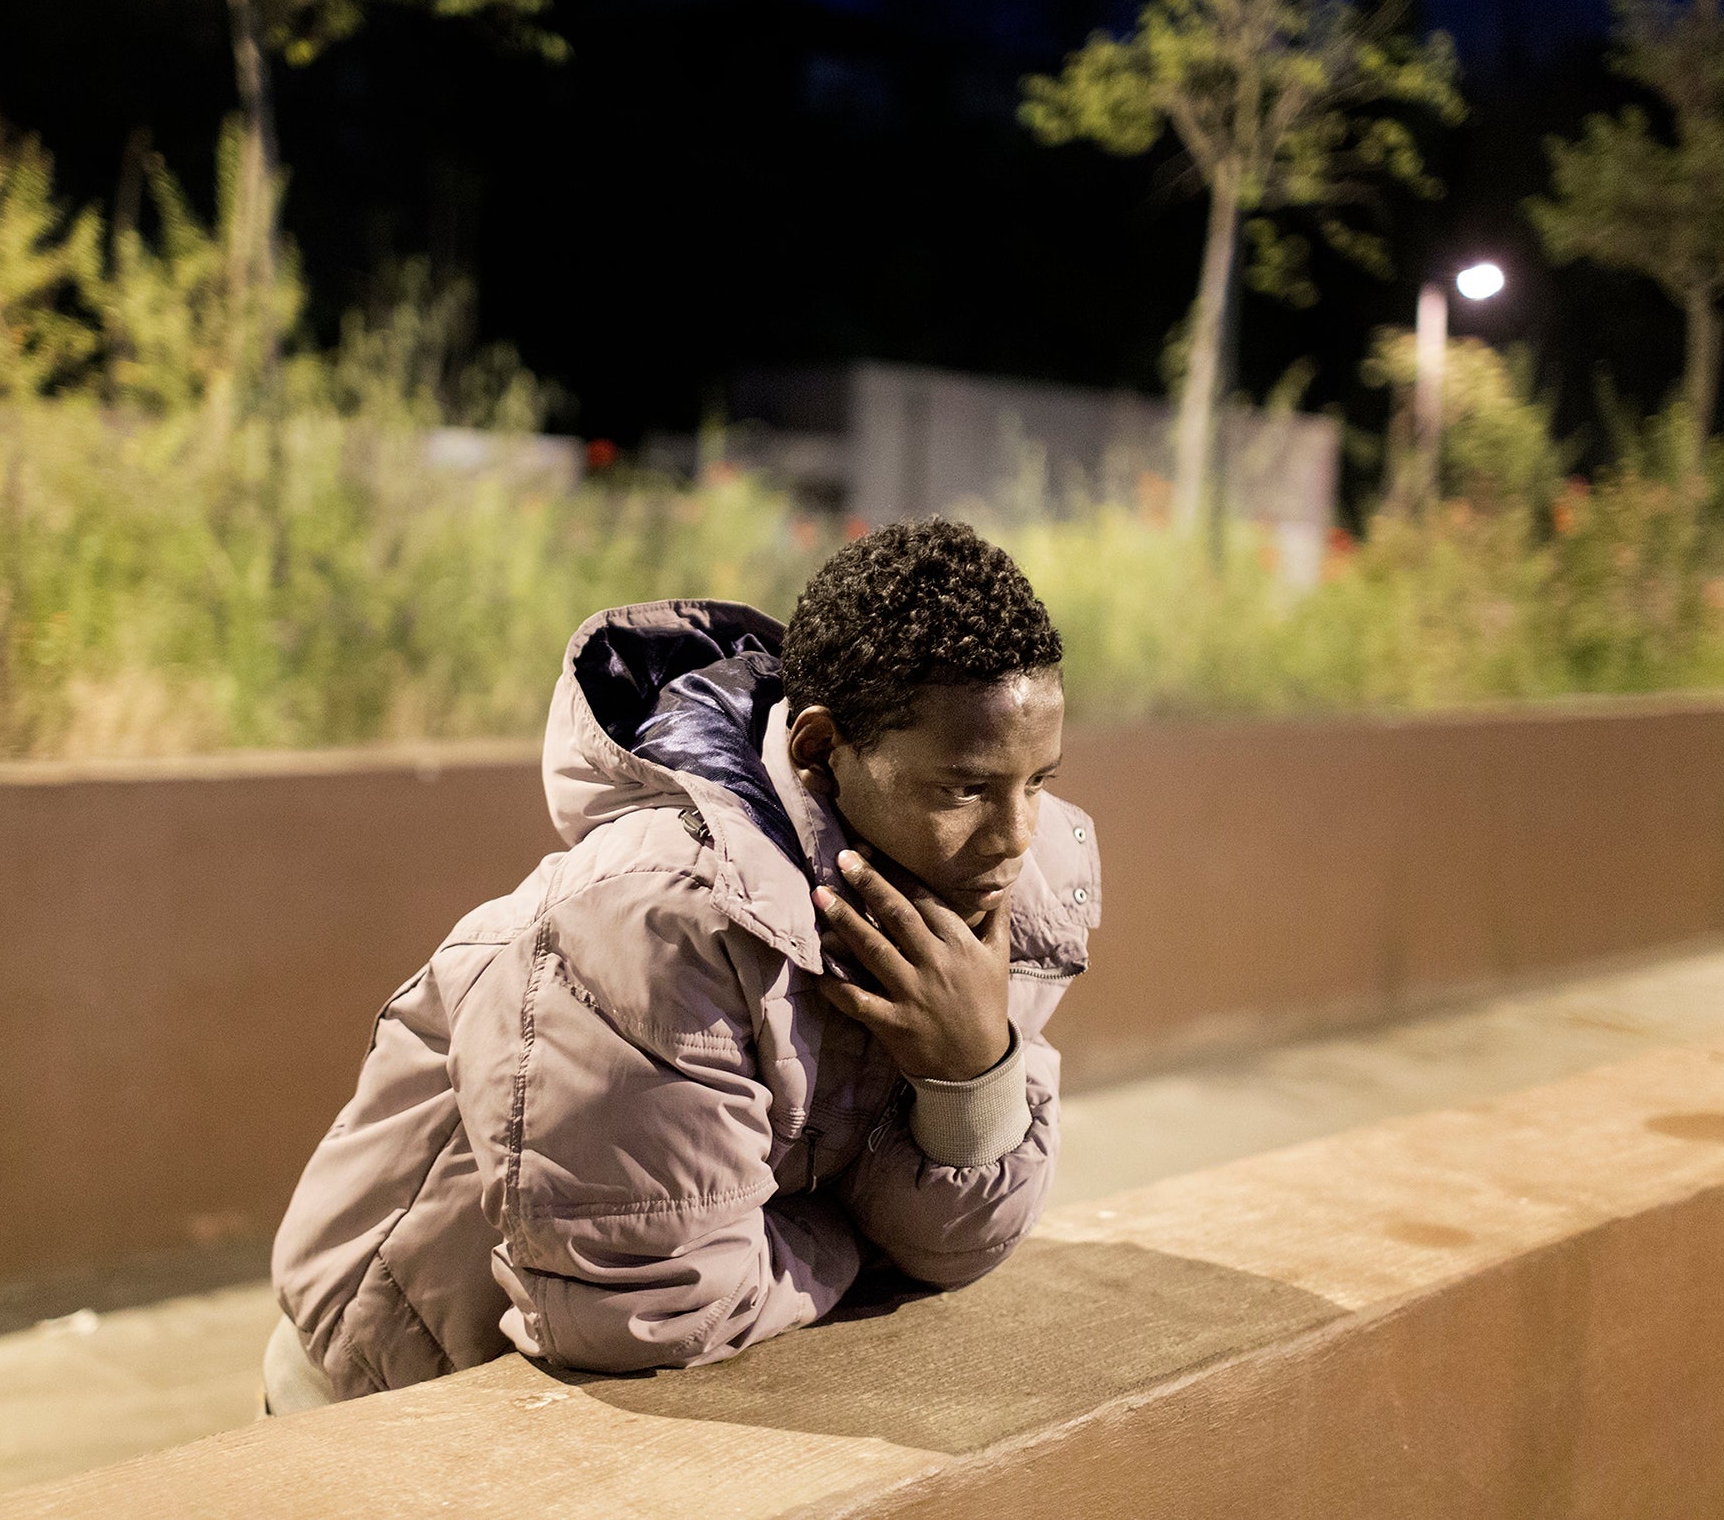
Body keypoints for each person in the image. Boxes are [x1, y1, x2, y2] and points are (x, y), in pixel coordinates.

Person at [263, 518, 1099, 1408]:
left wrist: (971, 1076)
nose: (1014, 836)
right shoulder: (653, 925)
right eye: (965, 788)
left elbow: (956, 1246)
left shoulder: (976, 905)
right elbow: (648, 1310)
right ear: (820, 753)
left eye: (1038, 780)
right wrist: (854, 1239)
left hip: (597, 1415)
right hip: (390, 1394)